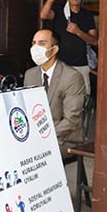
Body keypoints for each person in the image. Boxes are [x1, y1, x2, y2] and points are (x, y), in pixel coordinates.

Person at [23, 29, 85, 158]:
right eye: (34, 43)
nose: (35, 48)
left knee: (28, 155)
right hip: (36, 137)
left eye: (42, 43)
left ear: (54, 49)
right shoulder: (30, 75)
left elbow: (71, 119)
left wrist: (44, 138)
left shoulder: (72, 77)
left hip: (64, 139)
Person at [39, 0, 97, 95]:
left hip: (81, 65)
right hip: (60, 65)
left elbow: (94, 41)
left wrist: (78, 31)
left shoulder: (87, 15)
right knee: (58, 98)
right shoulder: (59, 10)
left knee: (81, 100)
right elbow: (43, 15)